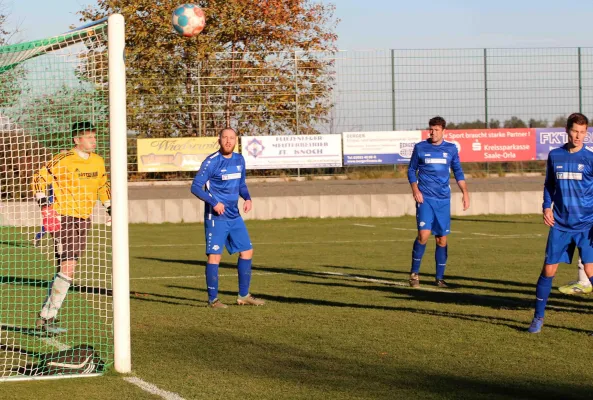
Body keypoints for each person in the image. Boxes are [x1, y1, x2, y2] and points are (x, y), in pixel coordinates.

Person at [31, 122, 111, 332]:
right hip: (63, 217)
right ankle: (47, 315)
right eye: (88, 137)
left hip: (84, 219)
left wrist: (110, 207)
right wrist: (44, 206)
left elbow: (103, 186)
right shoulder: (63, 159)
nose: (94, 141)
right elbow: (39, 177)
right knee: (69, 265)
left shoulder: (98, 162)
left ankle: (46, 317)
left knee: (64, 267)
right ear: (77, 140)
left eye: (94, 136)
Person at [528, 112, 593, 333]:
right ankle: (538, 317)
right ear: (567, 130)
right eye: (575, 131)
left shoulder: (590, 158)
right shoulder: (555, 155)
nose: (578, 136)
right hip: (561, 224)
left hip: (586, 225)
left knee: (591, 271)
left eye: (583, 132)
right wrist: (547, 206)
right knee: (548, 270)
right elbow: (549, 184)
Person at [190, 127, 264, 308]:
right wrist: (214, 202)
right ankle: (213, 300)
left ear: (236, 140)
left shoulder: (239, 159)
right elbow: (195, 187)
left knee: (247, 251)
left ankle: (243, 295)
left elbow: (242, 184)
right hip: (216, 217)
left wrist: (247, 198)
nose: (228, 141)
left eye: (232, 138)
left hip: (235, 216)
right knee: (215, 257)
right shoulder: (211, 162)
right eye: (225, 137)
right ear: (219, 140)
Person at [407, 116, 470, 288]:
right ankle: (414, 274)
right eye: (431, 129)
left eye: (436, 130)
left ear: (443, 131)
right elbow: (411, 170)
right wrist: (415, 190)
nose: (433, 132)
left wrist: (465, 192)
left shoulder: (450, 149)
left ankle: (439, 278)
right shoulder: (420, 147)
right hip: (425, 198)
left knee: (442, 239)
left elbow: (458, 171)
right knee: (424, 235)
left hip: (443, 200)